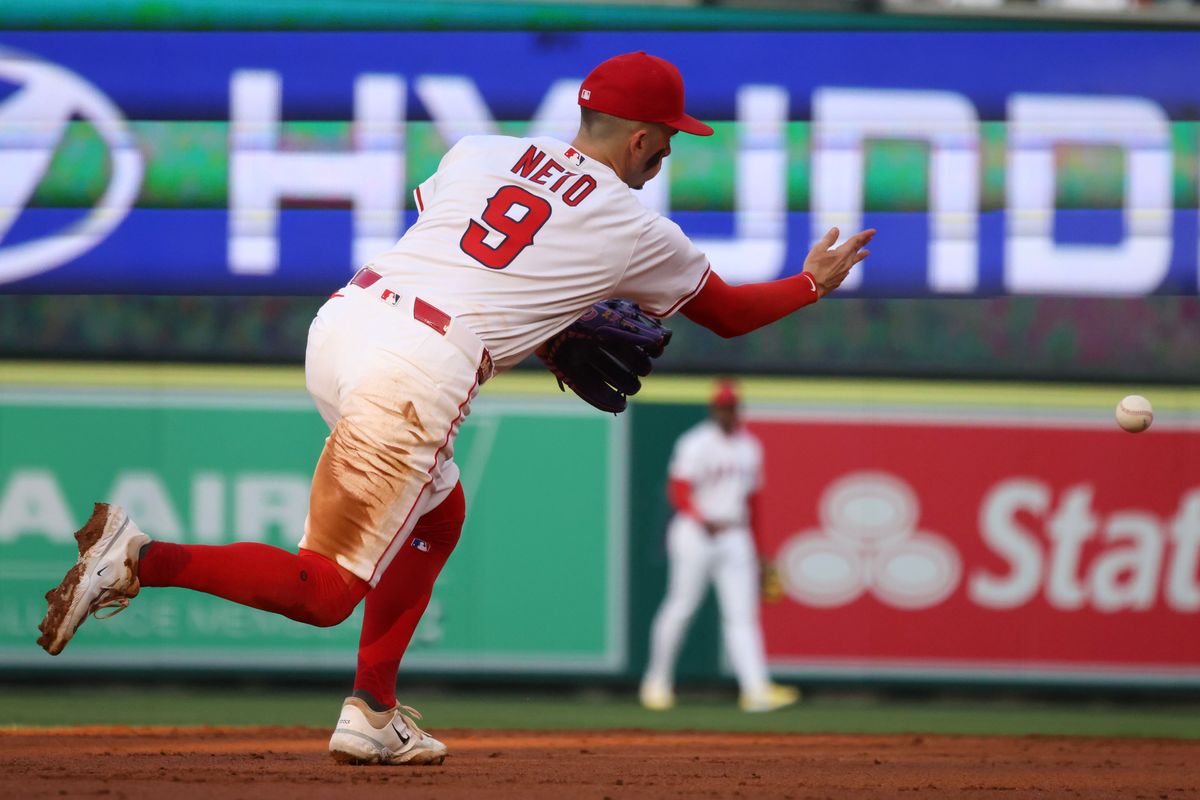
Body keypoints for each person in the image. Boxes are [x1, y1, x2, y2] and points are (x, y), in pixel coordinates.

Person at [37, 51, 873, 764]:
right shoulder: (634, 223)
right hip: (418, 371)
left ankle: (371, 712)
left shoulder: (480, 150)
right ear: (646, 139)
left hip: (345, 323)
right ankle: (144, 558)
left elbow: (458, 240)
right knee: (326, 593)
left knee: (440, 511)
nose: (665, 158)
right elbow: (726, 314)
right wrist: (812, 283)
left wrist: (546, 325)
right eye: (668, 142)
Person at [640, 380, 798, 713]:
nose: (727, 412)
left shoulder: (750, 447)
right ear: (714, 409)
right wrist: (700, 516)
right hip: (695, 532)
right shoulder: (696, 443)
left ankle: (756, 689)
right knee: (681, 606)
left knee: (742, 615)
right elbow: (678, 490)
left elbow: (753, 502)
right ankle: (656, 683)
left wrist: (759, 548)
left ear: (738, 409)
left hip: (735, 534)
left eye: (732, 406)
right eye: (722, 407)